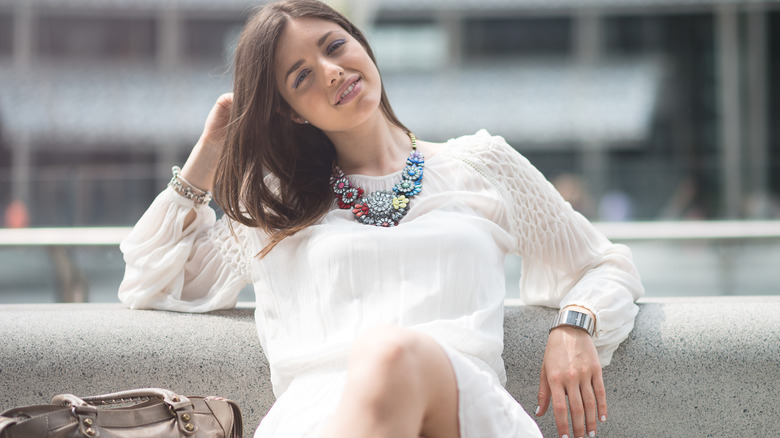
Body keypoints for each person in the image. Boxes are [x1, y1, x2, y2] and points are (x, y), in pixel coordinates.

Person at [118, 1, 644, 437]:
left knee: (391, 351)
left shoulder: (482, 165)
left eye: (334, 46)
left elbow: (604, 265)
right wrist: (210, 150)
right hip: (316, 421)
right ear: (292, 111)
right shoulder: (275, 207)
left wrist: (574, 325)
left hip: (459, 411)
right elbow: (148, 281)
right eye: (302, 76)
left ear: (362, 45)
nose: (331, 71)